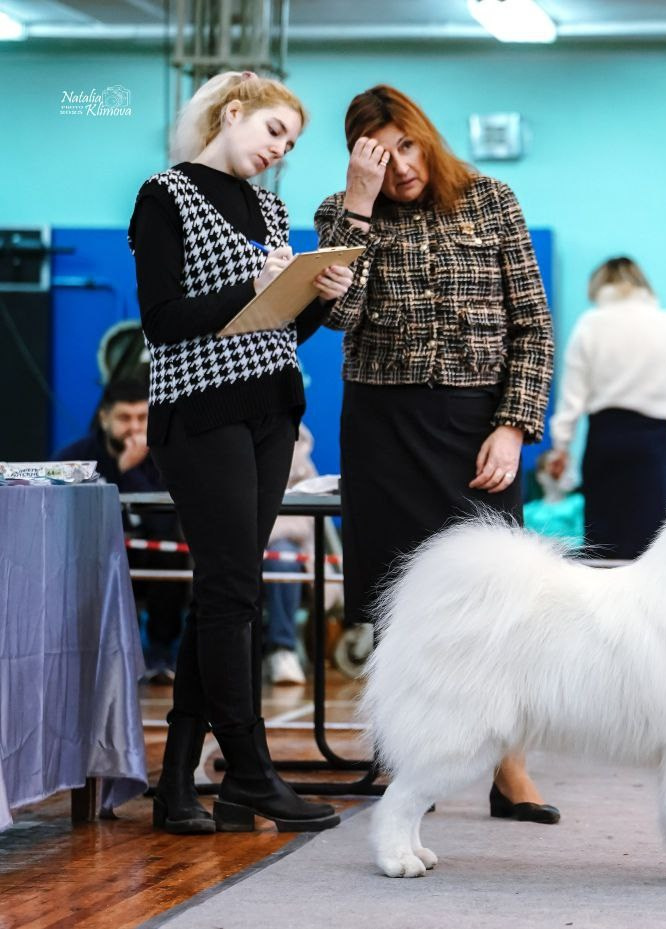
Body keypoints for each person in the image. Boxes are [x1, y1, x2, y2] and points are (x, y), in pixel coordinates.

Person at [314, 84, 558, 824]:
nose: (400, 168)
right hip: (383, 428)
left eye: (407, 147)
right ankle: (405, 764)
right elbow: (338, 315)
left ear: (426, 136)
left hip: (477, 427)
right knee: (399, 605)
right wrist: (359, 207)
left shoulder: (491, 200)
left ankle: (509, 767)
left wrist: (514, 426)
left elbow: (533, 326)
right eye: (378, 157)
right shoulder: (339, 214)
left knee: (499, 600)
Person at [131, 71, 352, 834]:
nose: (279, 151)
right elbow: (161, 319)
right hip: (199, 411)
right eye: (273, 132)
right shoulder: (164, 195)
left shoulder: (270, 208)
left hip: (270, 410)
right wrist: (252, 284)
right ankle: (250, 771)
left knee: (223, 593)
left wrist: (317, 293)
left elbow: (278, 327)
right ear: (232, 114)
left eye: (290, 143)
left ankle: (177, 785)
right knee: (234, 592)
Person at [545, 257, 666, 559]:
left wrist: (560, 449)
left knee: (604, 544)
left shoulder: (590, 324)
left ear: (600, 285)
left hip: (605, 442)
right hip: (653, 444)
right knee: (655, 548)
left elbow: (571, 396)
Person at [56, 377, 189, 682]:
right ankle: (83, 652)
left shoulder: (166, 459)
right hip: (91, 558)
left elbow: (165, 524)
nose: (134, 428)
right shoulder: (75, 459)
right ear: (104, 418)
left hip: (147, 558)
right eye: (124, 418)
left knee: (170, 551)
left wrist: (129, 472)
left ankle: (160, 652)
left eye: (142, 417)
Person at [261, 423, 320, 687]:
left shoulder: (300, 462)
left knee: (282, 559)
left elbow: (304, 522)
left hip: (279, 547)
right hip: (235, 543)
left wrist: (259, 534)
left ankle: (282, 649)